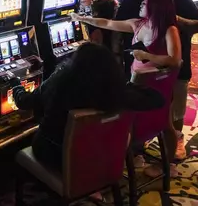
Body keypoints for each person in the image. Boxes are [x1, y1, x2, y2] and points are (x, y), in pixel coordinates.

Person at [72, 0, 182, 176]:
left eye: (144, 2)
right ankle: (131, 155)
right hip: (137, 81)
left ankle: (167, 164)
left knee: (164, 123)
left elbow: (175, 60)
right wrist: (83, 19)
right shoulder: (137, 24)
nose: (140, 4)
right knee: (133, 120)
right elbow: (108, 23)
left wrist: (146, 55)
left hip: (159, 84)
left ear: (155, 6)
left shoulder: (169, 29)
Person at [11, 43, 164, 171]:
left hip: (56, 154)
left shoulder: (61, 81)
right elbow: (158, 99)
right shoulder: (115, 92)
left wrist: (15, 83)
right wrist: (125, 85)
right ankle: (94, 184)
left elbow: (24, 102)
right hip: (100, 154)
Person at [116, 0, 198, 160]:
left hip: (175, 65)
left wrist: (172, 18)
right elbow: (119, 27)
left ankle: (176, 142)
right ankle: (138, 145)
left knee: (175, 109)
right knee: (139, 108)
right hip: (141, 67)